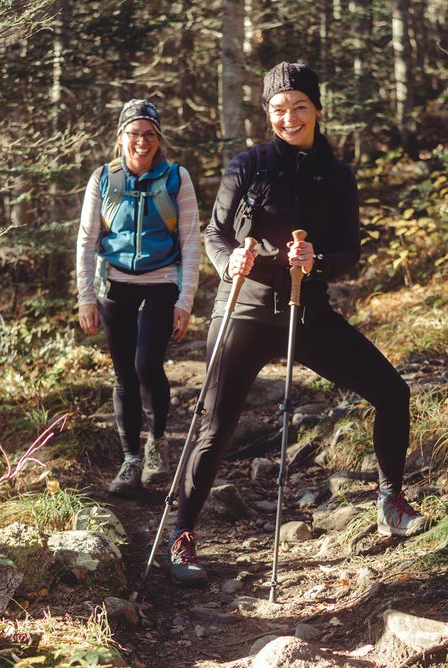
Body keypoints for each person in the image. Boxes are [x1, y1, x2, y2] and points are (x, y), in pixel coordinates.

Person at [167, 62, 428, 587]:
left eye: (299, 107)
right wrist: (228, 262)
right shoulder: (249, 165)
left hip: (306, 311)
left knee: (392, 393)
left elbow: (350, 251)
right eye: (279, 109)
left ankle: (390, 502)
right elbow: (215, 234)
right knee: (216, 427)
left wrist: (317, 260)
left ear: (316, 109)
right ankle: (183, 533)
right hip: (244, 307)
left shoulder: (337, 174)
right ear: (268, 113)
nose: (290, 117)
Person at [75, 99, 201, 496]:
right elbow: (87, 239)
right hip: (114, 285)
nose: (141, 142)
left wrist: (185, 302)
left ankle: (157, 443)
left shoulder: (177, 178)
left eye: (149, 134)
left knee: (147, 362)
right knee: (124, 373)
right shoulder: (104, 178)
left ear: (158, 138)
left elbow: (192, 241)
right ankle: (130, 459)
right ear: (120, 138)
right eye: (134, 134)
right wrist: (86, 296)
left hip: (162, 282)